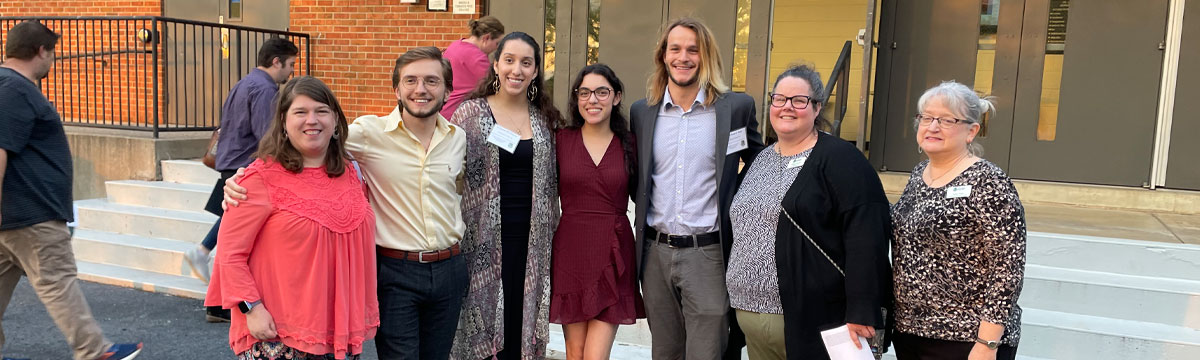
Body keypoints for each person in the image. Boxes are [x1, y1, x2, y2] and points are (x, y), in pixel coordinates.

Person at [223, 47, 469, 360]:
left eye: (431, 81)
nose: (420, 89)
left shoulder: (458, 139)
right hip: (391, 275)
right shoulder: (369, 134)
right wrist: (238, 179)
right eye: (411, 80)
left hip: (445, 270)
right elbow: (230, 254)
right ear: (396, 89)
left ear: (447, 90)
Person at [726, 64, 892, 359]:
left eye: (799, 101)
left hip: (816, 322)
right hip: (749, 314)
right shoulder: (758, 160)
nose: (787, 107)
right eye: (779, 99)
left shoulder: (842, 160)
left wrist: (862, 309)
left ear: (817, 108)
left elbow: (867, 238)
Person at [206, 76, 378, 360]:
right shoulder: (258, 178)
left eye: (321, 111)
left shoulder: (352, 173)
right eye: (300, 112)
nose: (312, 120)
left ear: (335, 120)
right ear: (283, 123)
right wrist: (252, 308)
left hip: (339, 332)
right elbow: (229, 254)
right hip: (276, 335)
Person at [0, 20, 143, 360]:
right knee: (57, 281)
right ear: (41, 51)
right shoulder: (13, 89)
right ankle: (95, 351)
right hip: (32, 214)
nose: (53, 61)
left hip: (16, 215)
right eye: (52, 53)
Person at [628, 17, 764, 360]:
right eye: (675, 49)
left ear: (706, 57)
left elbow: (760, 165)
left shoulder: (735, 109)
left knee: (706, 353)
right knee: (666, 352)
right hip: (654, 254)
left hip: (709, 253)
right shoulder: (642, 112)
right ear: (663, 55)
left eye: (693, 50)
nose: (683, 57)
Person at [890, 81, 1025, 360]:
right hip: (911, 332)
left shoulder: (988, 181)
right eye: (926, 118)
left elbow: (1007, 268)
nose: (933, 126)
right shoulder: (919, 174)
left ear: (971, 131)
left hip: (966, 339)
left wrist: (987, 344)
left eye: (947, 120)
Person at [450, 31, 563, 360]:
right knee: (479, 325)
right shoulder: (469, 116)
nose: (517, 69)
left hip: (532, 244)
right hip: (480, 241)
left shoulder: (544, 120)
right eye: (509, 60)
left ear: (536, 71)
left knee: (520, 323)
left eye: (526, 63)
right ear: (495, 64)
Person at [186, 36, 298, 322]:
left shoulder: (244, 83)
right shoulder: (265, 89)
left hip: (230, 160)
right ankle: (202, 254)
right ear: (277, 61)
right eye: (290, 65)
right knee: (235, 237)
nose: (291, 73)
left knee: (230, 230)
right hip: (247, 165)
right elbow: (266, 133)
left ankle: (215, 298)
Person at [550, 64, 644, 360]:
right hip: (571, 253)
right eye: (585, 92)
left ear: (616, 97)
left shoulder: (630, 144)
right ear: (577, 99)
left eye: (602, 92)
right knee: (574, 354)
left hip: (613, 253)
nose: (593, 100)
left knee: (594, 356)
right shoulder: (560, 141)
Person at [442, 16, 504, 121]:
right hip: (460, 114)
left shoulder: (454, 45)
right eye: (497, 43)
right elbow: (497, 86)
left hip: (444, 110)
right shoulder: (478, 58)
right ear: (486, 38)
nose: (496, 48)